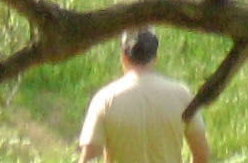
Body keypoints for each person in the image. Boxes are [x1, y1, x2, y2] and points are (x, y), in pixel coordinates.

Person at [77, 27, 212, 163]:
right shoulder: (182, 95)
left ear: (124, 57)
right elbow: (202, 153)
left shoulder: (105, 99)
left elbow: (90, 157)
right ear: (155, 58)